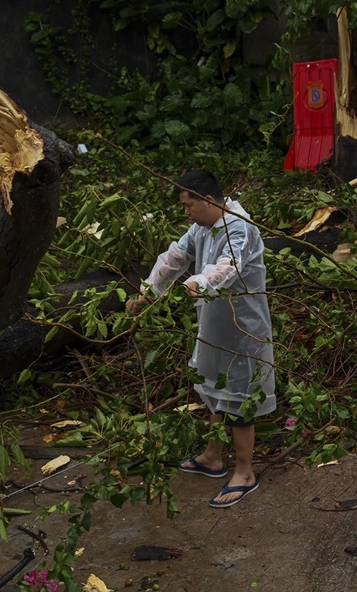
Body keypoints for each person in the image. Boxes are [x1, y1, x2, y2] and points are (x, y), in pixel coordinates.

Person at [126, 169, 276, 508]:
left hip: (243, 331)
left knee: (240, 399)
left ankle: (245, 472)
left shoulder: (240, 227)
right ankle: (212, 457)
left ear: (209, 200)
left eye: (189, 205)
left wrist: (200, 283)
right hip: (213, 325)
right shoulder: (202, 228)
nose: (186, 212)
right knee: (211, 389)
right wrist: (149, 291)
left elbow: (228, 265)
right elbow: (175, 257)